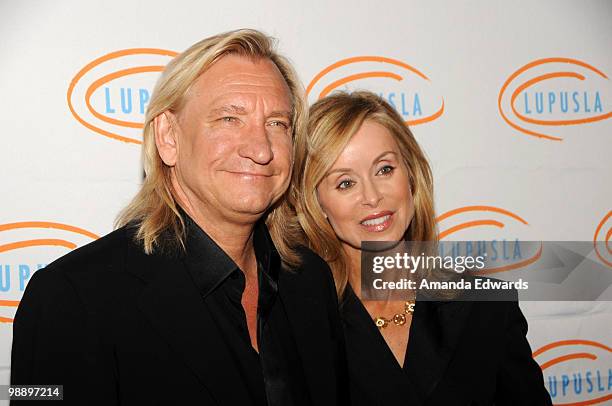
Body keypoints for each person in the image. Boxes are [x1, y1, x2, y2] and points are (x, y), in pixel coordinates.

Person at [11, 29, 346, 406]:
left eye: (277, 124)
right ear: (168, 137)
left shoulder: (310, 281)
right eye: (229, 119)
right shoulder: (71, 299)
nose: (261, 149)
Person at [283, 91, 552, 405]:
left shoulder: (486, 306)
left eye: (384, 169)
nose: (372, 196)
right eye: (345, 183)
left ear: (410, 176)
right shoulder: (298, 324)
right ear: (317, 203)